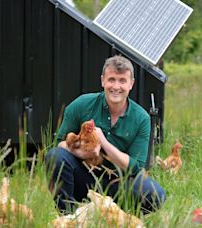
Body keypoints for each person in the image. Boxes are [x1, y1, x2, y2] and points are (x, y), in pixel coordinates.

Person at [45, 55, 166, 215]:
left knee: (156, 195)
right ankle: (68, 216)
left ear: (131, 84)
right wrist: (82, 153)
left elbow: (136, 167)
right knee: (55, 156)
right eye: (111, 79)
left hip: (119, 181)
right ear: (103, 81)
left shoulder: (141, 118)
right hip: (83, 177)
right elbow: (59, 144)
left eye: (122, 80)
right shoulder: (81, 104)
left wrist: (104, 144)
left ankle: (120, 217)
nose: (116, 86)